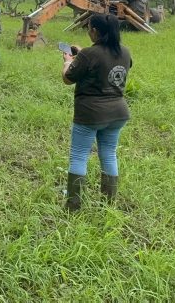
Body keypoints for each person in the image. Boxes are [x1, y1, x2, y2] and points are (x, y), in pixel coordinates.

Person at [61, 13, 132, 211]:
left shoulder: (89, 54)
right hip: (118, 112)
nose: (88, 31)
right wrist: (82, 54)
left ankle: (74, 206)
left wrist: (67, 62)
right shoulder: (125, 52)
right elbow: (105, 62)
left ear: (95, 31)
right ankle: (108, 204)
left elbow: (68, 78)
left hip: (90, 113)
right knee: (109, 155)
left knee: (79, 156)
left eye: (88, 28)